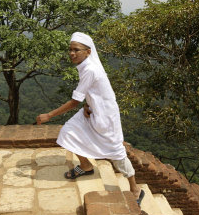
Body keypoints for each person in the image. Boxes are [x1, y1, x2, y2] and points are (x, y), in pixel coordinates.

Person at [36, 32, 145, 205]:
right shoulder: (86, 66)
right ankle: (86, 166)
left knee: (116, 153)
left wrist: (49, 115)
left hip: (106, 117)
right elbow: (93, 92)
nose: (72, 53)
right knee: (68, 132)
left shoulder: (90, 69)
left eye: (76, 50)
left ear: (88, 52)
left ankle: (135, 189)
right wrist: (87, 105)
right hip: (93, 110)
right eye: (70, 49)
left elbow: (74, 101)